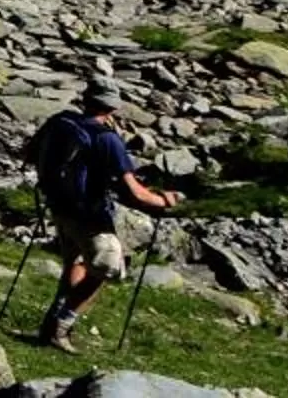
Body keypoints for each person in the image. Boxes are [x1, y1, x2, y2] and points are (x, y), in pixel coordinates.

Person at [30, 76, 179, 353]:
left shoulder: (62, 122)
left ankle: (52, 324)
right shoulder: (107, 139)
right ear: (113, 108)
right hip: (90, 214)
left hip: (59, 205)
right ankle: (61, 326)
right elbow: (134, 192)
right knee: (107, 268)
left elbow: (29, 151)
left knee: (77, 261)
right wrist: (163, 200)